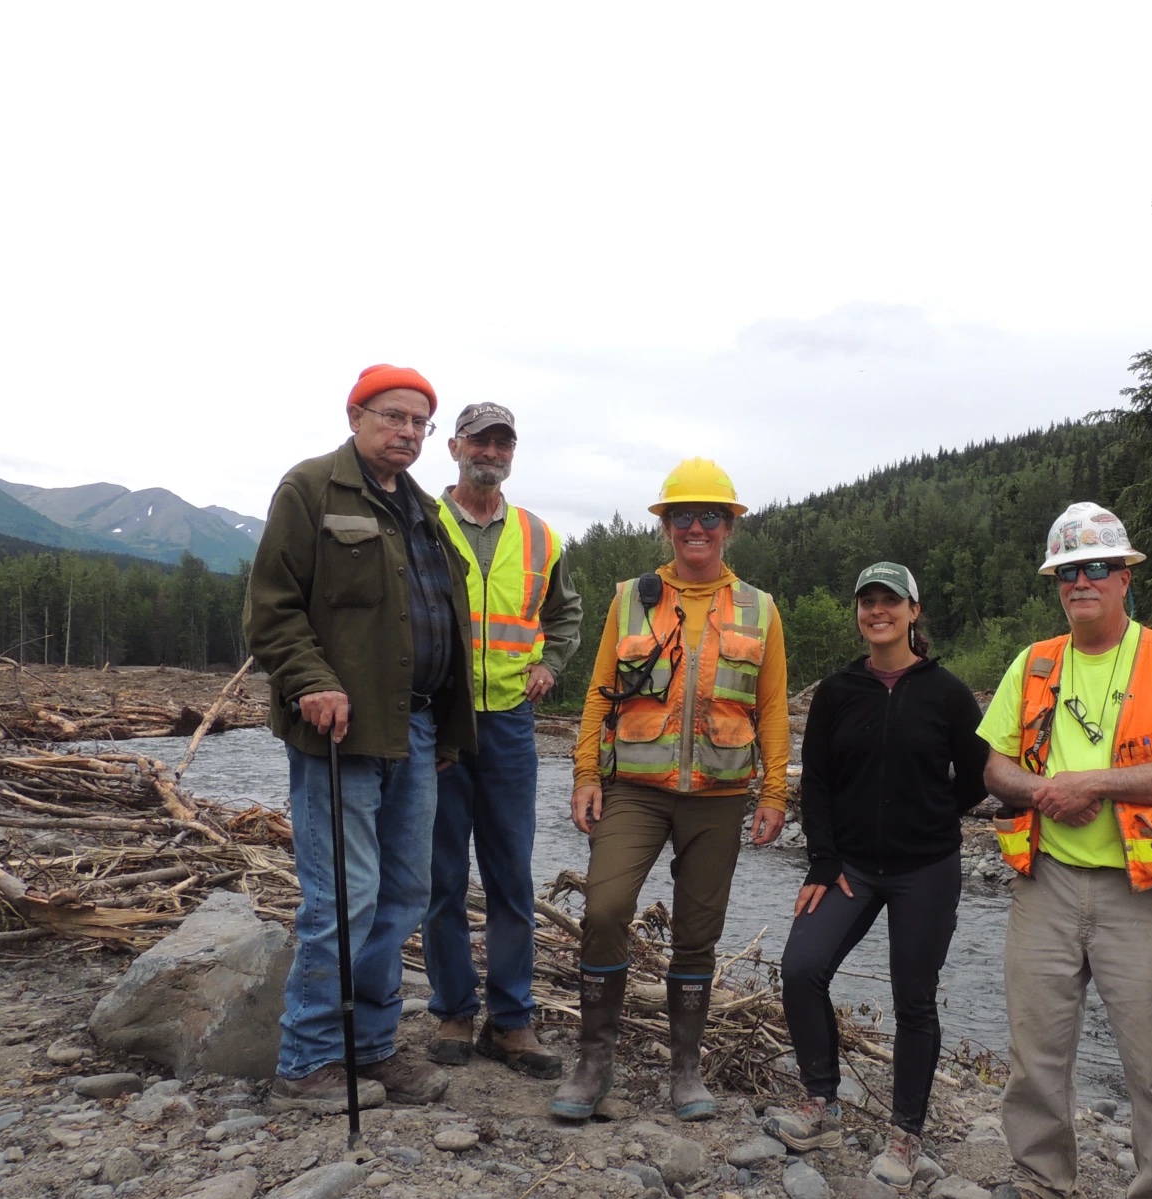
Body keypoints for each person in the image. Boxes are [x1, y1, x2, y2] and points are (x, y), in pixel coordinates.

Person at [979, 501, 1152, 1199]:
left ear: (1123, 577)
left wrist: (1093, 784)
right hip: (1045, 882)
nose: (1081, 582)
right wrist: (1044, 791)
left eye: (1096, 569)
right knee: (1036, 1049)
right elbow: (995, 766)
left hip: (1137, 892)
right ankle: (1038, 1184)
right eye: (1067, 572)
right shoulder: (1034, 662)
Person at [245, 363, 476, 1112]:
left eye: (419, 422)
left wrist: (449, 726)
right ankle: (307, 1059)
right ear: (355, 416)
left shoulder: (424, 511)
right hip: (339, 731)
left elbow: (439, 620)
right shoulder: (311, 488)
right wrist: (311, 680)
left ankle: (371, 1047)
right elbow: (272, 609)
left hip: (417, 727)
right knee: (344, 898)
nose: (407, 432)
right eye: (392, 416)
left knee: (404, 895)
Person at [554, 457, 789, 1123]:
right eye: (682, 515)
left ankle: (685, 1069)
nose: (696, 527)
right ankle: (593, 1061)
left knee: (697, 932)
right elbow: (599, 694)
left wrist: (774, 792)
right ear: (666, 525)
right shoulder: (631, 599)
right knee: (605, 910)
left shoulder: (760, 609)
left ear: (729, 527)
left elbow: (773, 708)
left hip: (719, 795)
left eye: (710, 516)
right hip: (634, 788)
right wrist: (585, 775)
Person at [769, 562, 988, 1187]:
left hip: (927, 868)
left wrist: (936, 815)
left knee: (913, 998)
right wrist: (823, 858)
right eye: (867, 601)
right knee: (802, 967)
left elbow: (978, 773)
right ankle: (822, 1103)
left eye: (890, 600)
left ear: (913, 611)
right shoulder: (838, 692)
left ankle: (905, 1134)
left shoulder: (947, 692)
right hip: (852, 869)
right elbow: (816, 781)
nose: (877, 611)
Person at [424, 402, 583, 1079]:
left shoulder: (539, 537)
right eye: (479, 441)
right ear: (455, 447)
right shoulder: (421, 522)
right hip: (438, 720)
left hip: (512, 722)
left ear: (512, 453)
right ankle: (454, 1012)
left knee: (511, 875)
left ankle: (512, 1022)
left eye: (502, 443)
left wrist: (552, 665)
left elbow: (566, 613)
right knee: (441, 875)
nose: (490, 452)